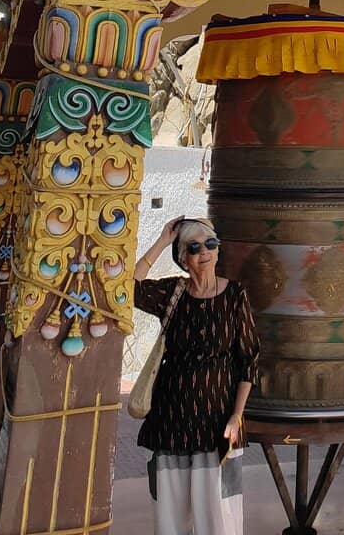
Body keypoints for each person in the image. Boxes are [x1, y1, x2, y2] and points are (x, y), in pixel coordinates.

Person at [134, 217, 259, 535]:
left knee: (218, 513)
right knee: (171, 513)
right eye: (194, 247)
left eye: (210, 244)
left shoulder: (235, 295)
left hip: (217, 420)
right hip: (172, 419)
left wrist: (237, 415)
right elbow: (128, 288)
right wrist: (163, 240)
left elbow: (248, 359)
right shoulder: (172, 292)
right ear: (183, 258)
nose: (204, 251)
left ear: (218, 250)